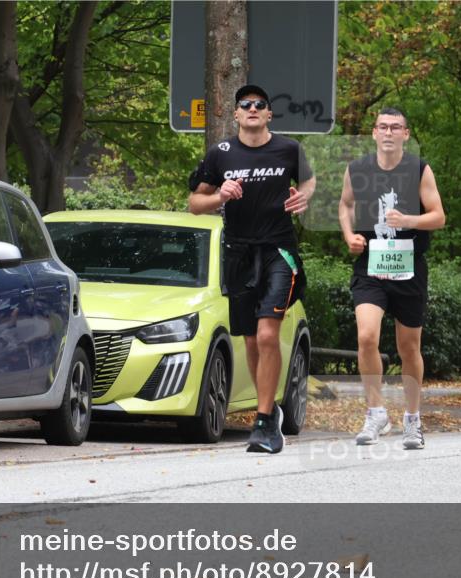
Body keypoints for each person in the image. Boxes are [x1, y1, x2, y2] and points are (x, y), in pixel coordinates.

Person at [188, 84, 316, 453]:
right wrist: (220, 195)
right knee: (250, 339)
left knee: (266, 333)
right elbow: (195, 203)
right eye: (245, 104)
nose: (253, 108)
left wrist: (303, 196)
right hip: (238, 253)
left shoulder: (288, 149)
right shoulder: (221, 153)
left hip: (279, 251)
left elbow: (308, 180)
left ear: (269, 113)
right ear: (236, 114)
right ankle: (269, 410)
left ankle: (262, 422)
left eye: (260, 104)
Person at [338, 107, 445, 449]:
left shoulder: (419, 169)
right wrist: (349, 236)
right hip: (370, 266)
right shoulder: (358, 169)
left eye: (395, 127)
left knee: (408, 347)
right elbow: (346, 205)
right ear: (373, 133)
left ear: (405, 134)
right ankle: (376, 413)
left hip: (408, 267)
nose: (388, 132)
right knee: (366, 336)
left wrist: (409, 221)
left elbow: (438, 216)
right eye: (382, 127)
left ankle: (412, 419)